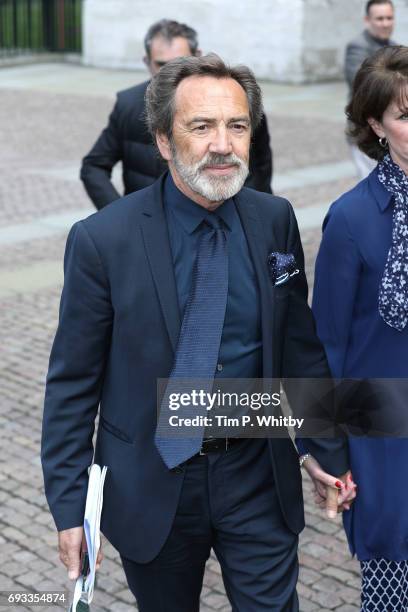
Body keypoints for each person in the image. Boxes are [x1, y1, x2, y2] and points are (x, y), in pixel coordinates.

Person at [42, 54, 355, 611]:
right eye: (201, 126)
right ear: (164, 141)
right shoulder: (102, 240)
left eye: (236, 126)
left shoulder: (274, 219)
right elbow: (72, 384)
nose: (222, 144)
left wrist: (324, 450)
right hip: (153, 484)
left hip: (257, 474)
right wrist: (70, 509)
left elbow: (298, 348)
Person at [313, 45, 408, 611]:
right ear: (376, 125)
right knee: (392, 587)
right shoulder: (351, 218)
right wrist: (328, 453)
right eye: (405, 114)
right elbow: (327, 347)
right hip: (386, 438)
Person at [80, 19, 273, 210]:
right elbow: (93, 167)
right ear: (147, 62)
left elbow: (260, 168)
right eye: (161, 65)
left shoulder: (236, 101)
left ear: (198, 55)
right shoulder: (128, 104)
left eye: (181, 62)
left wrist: (249, 216)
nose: (171, 73)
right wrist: (121, 216)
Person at [344, 0, 396, 179]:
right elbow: (364, 87)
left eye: (389, 18)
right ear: (367, 20)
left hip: (391, 130)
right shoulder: (357, 47)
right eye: (380, 18)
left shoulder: (394, 47)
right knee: (372, 185)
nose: (385, 23)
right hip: (366, 132)